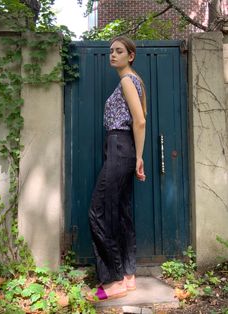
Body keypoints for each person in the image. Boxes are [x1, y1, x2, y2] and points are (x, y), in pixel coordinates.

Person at [87, 36, 147, 302]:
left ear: (130, 55)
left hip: (119, 146)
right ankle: (129, 275)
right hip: (123, 149)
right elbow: (140, 119)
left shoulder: (126, 80)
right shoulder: (135, 81)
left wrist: (138, 156)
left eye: (119, 51)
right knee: (121, 212)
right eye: (111, 50)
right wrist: (137, 156)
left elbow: (140, 120)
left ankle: (114, 279)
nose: (113, 54)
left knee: (100, 212)